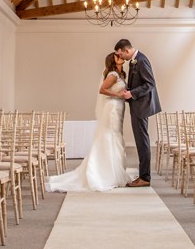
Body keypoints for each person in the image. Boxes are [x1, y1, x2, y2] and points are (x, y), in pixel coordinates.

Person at [46, 53, 132, 192]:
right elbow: (102, 89)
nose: (121, 58)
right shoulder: (113, 75)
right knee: (109, 136)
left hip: (119, 107)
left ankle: (114, 170)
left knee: (116, 136)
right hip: (112, 108)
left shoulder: (121, 74)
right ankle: (106, 172)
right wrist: (118, 95)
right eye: (118, 57)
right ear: (113, 60)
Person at [114, 38, 161, 187]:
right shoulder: (135, 60)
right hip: (137, 105)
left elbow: (150, 84)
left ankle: (145, 177)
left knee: (142, 142)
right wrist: (128, 90)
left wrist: (132, 93)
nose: (121, 58)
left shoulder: (140, 60)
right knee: (141, 141)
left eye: (121, 55)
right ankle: (143, 175)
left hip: (141, 106)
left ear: (127, 51)